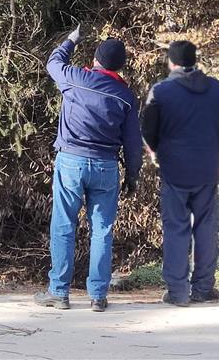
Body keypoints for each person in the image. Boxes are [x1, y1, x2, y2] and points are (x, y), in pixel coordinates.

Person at [34, 25, 143, 312]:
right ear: (120, 66)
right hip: (106, 167)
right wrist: (132, 175)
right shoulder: (125, 96)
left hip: (71, 161)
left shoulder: (76, 78)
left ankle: (59, 292)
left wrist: (71, 39)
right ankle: (98, 296)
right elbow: (133, 144)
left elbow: (53, 63)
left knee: (63, 225)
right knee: (102, 231)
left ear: (95, 60)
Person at [141, 40, 219, 306]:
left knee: (176, 228)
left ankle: (178, 291)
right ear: (195, 60)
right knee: (205, 227)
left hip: (174, 169)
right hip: (206, 168)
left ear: (171, 62)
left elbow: (148, 131)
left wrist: (158, 150)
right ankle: (204, 288)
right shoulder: (216, 89)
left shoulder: (161, 91)